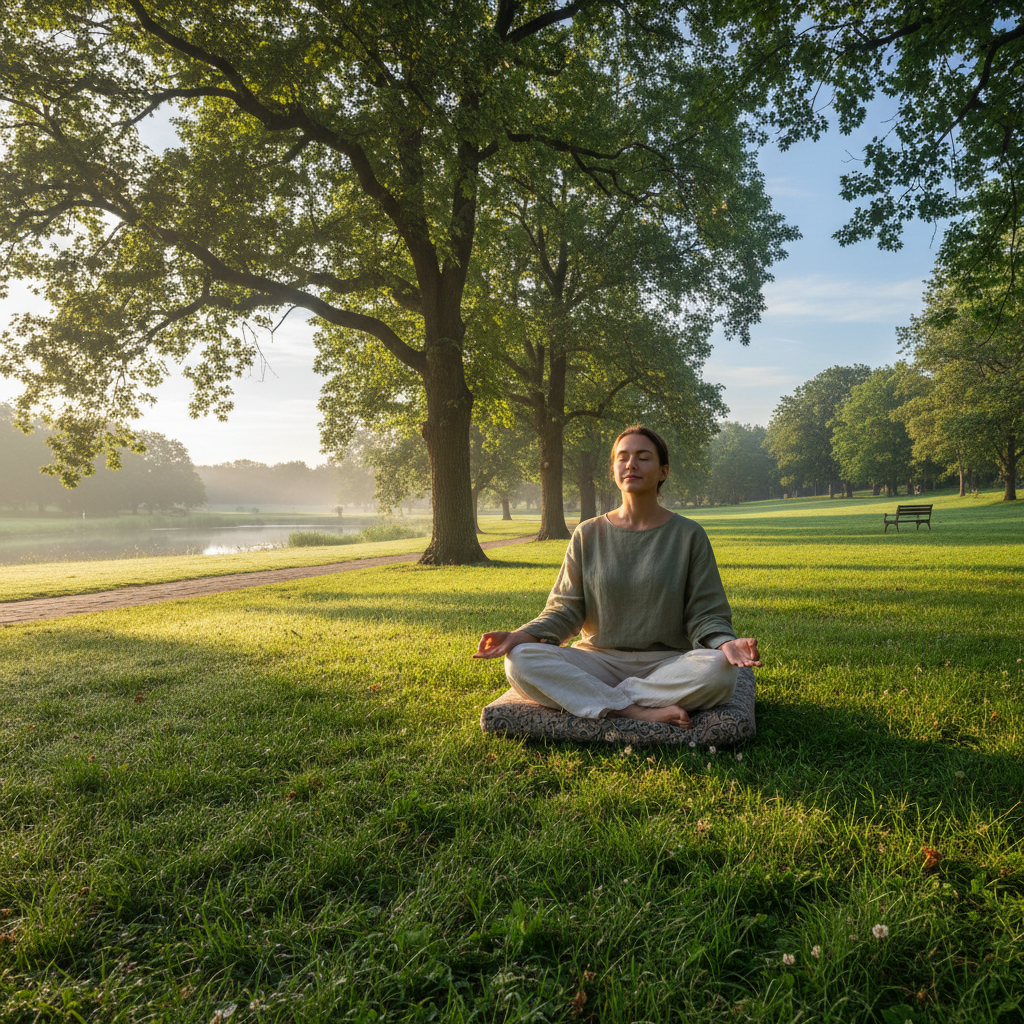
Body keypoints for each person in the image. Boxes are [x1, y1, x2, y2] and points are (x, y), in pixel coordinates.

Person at [473, 425, 761, 728]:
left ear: (663, 471)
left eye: (643, 457)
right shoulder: (588, 533)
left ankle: (595, 698)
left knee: (720, 670)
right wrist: (522, 635)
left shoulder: (689, 535)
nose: (631, 464)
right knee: (520, 659)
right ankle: (634, 710)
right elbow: (565, 610)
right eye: (622, 457)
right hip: (597, 660)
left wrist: (724, 643)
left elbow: (706, 612)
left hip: (667, 664)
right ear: (614, 469)